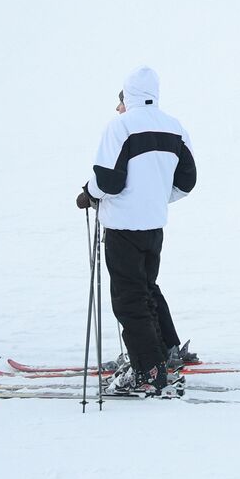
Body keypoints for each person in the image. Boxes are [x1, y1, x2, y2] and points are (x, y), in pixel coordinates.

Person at [76, 68, 197, 398]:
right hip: (154, 224)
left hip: (123, 226)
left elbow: (109, 181)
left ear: (127, 95)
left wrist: (90, 192)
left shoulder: (121, 126)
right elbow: (186, 182)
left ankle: (149, 371)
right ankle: (167, 349)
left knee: (129, 300)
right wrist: (156, 196)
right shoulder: (175, 127)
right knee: (146, 288)